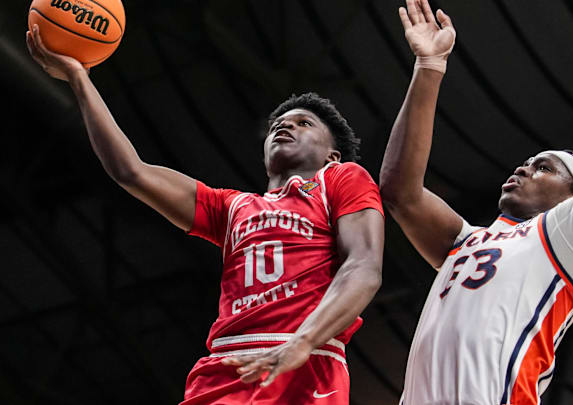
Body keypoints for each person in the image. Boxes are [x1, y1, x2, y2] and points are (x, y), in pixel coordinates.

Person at [26, 25, 384, 405]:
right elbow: (131, 171)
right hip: (226, 368)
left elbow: (363, 267)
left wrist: (304, 340)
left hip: (305, 359)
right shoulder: (231, 207)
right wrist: (80, 79)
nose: (285, 124)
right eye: (279, 123)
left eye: (304, 123)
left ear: (332, 155)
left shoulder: (340, 179)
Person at [380, 0, 573, 403]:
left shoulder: (572, 236)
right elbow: (399, 192)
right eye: (528, 162)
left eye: (544, 168)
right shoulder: (468, 242)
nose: (525, 169)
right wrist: (429, 67)